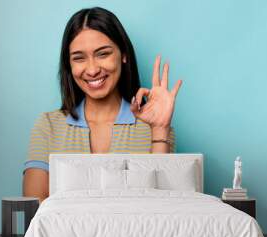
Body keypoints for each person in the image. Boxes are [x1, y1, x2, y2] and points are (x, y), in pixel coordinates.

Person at [22, 7, 182, 202]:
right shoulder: (48, 126)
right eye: (79, 58)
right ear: (69, 65)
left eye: (102, 54)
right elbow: (35, 212)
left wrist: (159, 130)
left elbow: (163, 210)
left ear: (123, 54)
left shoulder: (156, 128)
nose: (92, 70)